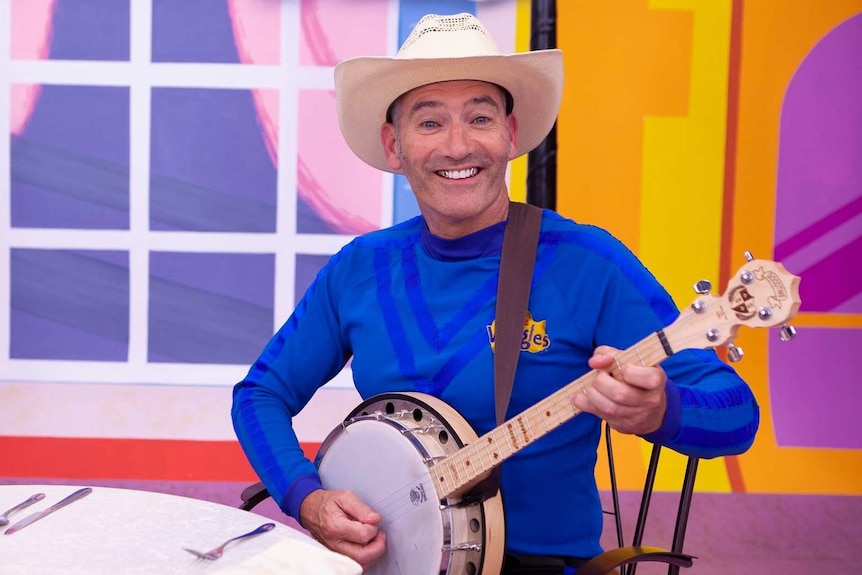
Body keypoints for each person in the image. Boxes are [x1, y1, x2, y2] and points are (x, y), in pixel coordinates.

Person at [232, 12, 759, 575]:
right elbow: (260, 394)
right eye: (430, 123)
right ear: (394, 146)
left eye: (479, 118)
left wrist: (662, 409)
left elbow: (737, 413)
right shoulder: (361, 267)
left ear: (509, 135)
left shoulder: (585, 263)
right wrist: (306, 496)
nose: (458, 146)